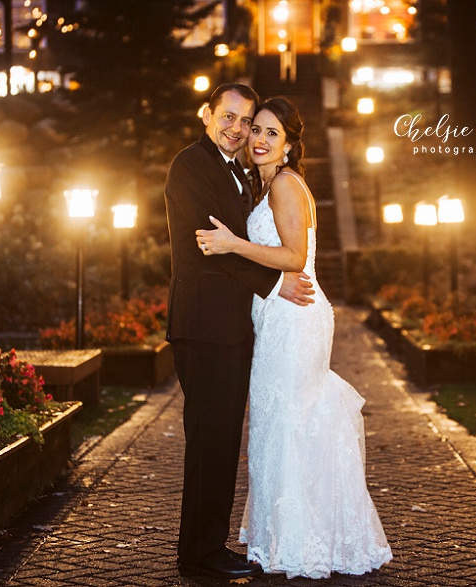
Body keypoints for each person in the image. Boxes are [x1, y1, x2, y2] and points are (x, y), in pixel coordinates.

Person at [196, 97, 393, 578]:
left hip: (295, 315)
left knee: (286, 424)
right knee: (277, 424)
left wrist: (231, 243)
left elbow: (293, 256)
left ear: (288, 145)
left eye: (271, 133)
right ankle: (288, 538)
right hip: (277, 315)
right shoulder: (262, 187)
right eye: (256, 130)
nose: (259, 139)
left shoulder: (285, 185)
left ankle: (302, 545)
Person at [163, 83, 315, 580]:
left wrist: (272, 282)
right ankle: (200, 554)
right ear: (206, 115)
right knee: (211, 438)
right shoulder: (192, 166)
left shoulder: (244, 175)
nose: (238, 129)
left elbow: (237, 243)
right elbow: (213, 246)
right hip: (205, 325)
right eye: (228, 117)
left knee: (222, 438)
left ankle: (208, 544)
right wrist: (276, 282)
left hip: (229, 326)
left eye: (246, 122)